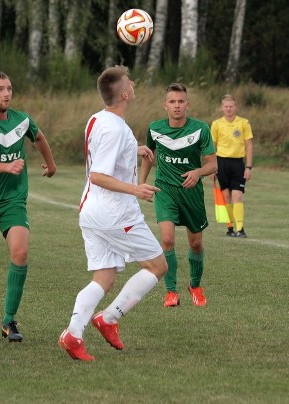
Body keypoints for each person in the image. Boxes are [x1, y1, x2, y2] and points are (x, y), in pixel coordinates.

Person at [58, 65, 167, 362]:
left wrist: (135, 148)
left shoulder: (99, 119)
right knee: (157, 266)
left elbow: (104, 153)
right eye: (129, 82)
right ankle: (109, 318)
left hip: (91, 211)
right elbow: (99, 175)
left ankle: (73, 334)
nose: (133, 84)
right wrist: (136, 189)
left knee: (103, 279)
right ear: (124, 93)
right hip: (115, 213)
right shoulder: (116, 128)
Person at [0, 71, 56, 344]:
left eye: (9, 88)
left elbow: (39, 138)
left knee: (20, 252)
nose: (6, 94)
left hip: (12, 200)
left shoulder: (22, 120)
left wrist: (51, 165)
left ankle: (9, 320)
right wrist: (6, 166)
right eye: (0, 89)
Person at [139, 83, 217, 308]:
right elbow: (148, 155)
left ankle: (195, 286)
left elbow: (212, 164)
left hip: (191, 193)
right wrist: (141, 184)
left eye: (180, 101)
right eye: (172, 102)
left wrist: (198, 172)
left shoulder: (200, 129)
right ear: (165, 106)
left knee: (196, 244)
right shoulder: (155, 128)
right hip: (165, 191)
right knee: (167, 239)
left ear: (187, 104)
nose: (176, 106)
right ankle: (171, 292)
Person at [210, 94, 253, 238]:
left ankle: (240, 229)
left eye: (231, 106)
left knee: (237, 196)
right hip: (221, 163)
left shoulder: (243, 123)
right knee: (226, 196)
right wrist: (212, 167)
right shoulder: (216, 124)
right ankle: (230, 228)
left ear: (236, 107)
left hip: (237, 163)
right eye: (226, 106)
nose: (228, 109)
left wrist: (248, 167)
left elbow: (249, 145)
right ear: (222, 107)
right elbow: (212, 147)